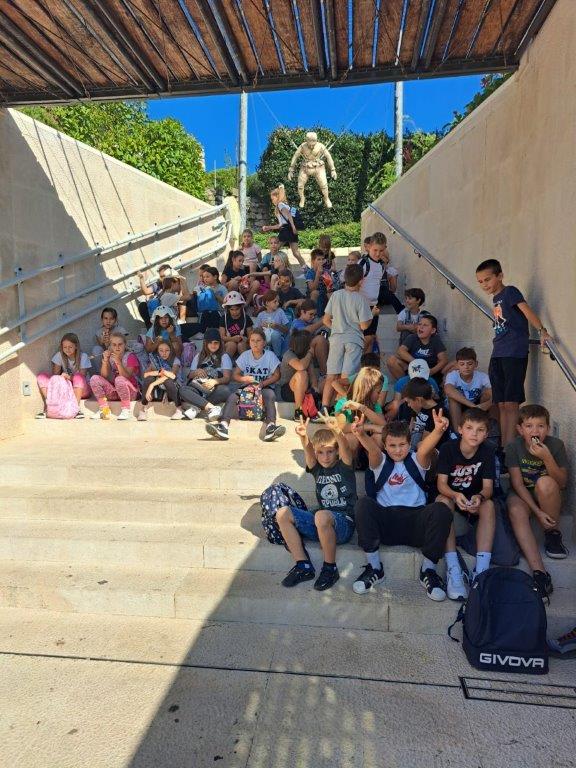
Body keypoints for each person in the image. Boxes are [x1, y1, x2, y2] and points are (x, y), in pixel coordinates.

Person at [351, 411, 453, 601]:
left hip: (416, 523)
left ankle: (428, 570)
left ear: (409, 443)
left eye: (402, 445)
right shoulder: (380, 461)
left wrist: (439, 430)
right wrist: (360, 434)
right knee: (363, 504)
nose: (397, 450)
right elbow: (373, 451)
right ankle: (375, 567)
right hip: (387, 523)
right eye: (392, 445)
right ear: (385, 445)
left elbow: (426, 448)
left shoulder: (417, 460)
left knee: (441, 510)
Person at [475, 258, 551, 449]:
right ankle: (503, 447)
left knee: (511, 403)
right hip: (498, 353)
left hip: (514, 353)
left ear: (500, 275)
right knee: (500, 404)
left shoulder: (510, 292)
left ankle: (510, 449)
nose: (484, 284)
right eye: (480, 281)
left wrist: (542, 331)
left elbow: (527, 311)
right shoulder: (495, 299)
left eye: (488, 279)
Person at [275, 416, 356, 591]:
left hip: (344, 524)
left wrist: (337, 431)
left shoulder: (344, 466)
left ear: (336, 451)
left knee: (321, 515)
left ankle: (330, 568)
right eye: (320, 452)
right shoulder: (317, 469)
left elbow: (346, 448)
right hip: (322, 524)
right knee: (282, 513)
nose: (325, 457)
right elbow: (310, 455)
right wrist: (304, 437)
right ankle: (303, 565)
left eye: (330, 451)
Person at [505, 404, 568, 600]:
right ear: (520, 429)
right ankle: (540, 572)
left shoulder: (556, 445)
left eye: (540, 426)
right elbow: (517, 484)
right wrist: (537, 512)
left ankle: (552, 533)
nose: (535, 431)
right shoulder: (513, 447)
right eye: (529, 426)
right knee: (515, 509)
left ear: (548, 428)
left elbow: (562, 483)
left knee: (545, 483)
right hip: (523, 495)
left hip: (547, 495)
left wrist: (547, 457)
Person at [436, 408, 496, 600]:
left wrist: (479, 497)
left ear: (486, 434)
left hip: (473, 501)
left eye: (480, 430)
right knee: (443, 501)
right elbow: (441, 484)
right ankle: (453, 568)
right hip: (453, 498)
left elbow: (488, 488)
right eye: (469, 428)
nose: (474, 434)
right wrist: (455, 495)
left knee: (489, 505)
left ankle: (481, 572)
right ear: (460, 429)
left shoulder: (488, 450)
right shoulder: (448, 448)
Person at [205, 328, 285, 442]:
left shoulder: (270, 356)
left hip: (264, 386)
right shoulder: (245, 355)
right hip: (248, 387)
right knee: (233, 396)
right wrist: (244, 379)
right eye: (252, 340)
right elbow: (235, 375)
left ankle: (271, 426)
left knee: (270, 395)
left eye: (258, 340)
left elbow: (277, 375)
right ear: (249, 342)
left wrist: (262, 383)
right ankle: (223, 425)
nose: (255, 343)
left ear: (264, 343)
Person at [321, 263, 374, 413]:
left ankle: (324, 408)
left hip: (336, 339)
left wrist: (338, 327)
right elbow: (364, 325)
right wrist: (372, 316)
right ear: (361, 281)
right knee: (346, 377)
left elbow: (326, 320)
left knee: (331, 376)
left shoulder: (336, 295)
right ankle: (341, 410)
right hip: (354, 340)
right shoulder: (361, 299)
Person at [162, 328, 232, 421]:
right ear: (205, 343)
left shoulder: (224, 356)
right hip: (198, 389)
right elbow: (190, 375)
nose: (213, 345)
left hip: (213, 390)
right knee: (183, 390)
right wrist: (196, 372)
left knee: (225, 390)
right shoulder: (199, 356)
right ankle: (212, 408)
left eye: (216, 343)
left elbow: (227, 378)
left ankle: (195, 407)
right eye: (210, 343)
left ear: (220, 343)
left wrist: (215, 381)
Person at [36, 332, 91, 418]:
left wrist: (68, 377)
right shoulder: (59, 355)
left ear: (76, 346)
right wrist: (61, 378)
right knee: (42, 376)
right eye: (65, 347)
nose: (67, 349)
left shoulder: (83, 356)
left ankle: (76, 409)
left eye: (70, 347)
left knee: (78, 377)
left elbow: (82, 377)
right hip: (66, 388)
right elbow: (55, 376)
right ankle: (50, 405)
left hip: (82, 389)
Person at [90, 332, 141, 420]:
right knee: (94, 378)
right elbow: (104, 375)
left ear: (125, 345)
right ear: (110, 346)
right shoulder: (111, 357)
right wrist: (105, 361)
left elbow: (127, 376)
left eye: (120, 344)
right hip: (116, 392)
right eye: (114, 345)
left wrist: (118, 362)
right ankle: (104, 410)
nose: (117, 347)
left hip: (131, 393)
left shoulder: (130, 356)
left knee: (119, 379)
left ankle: (126, 409)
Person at [387, 315, 448, 386]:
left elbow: (444, 360)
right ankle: (407, 386)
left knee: (450, 367)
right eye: (419, 324)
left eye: (425, 325)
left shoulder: (435, 340)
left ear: (433, 330)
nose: (421, 327)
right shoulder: (412, 337)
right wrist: (417, 362)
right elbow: (400, 351)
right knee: (392, 360)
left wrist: (431, 371)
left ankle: (437, 388)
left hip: (429, 371)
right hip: (414, 368)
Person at [444, 347, 492, 431]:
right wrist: (473, 406)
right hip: (460, 406)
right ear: (457, 365)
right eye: (462, 364)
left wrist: (487, 404)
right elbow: (448, 390)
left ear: (476, 364)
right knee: (453, 399)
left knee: (489, 393)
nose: (466, 367)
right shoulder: (453, 375)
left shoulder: (482, 376)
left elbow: (496, 392)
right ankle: (457, 432)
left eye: (470, 364)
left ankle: (488, 428)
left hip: (477, 405)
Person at [287, 131, 337, 208]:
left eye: (313, 143)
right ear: (306, 141)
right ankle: (302, 198)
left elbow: (328, 157)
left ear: (316, 141)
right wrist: (291, 170)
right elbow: (295, 156)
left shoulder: (321, 146)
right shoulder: (302, 146)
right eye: (309, 143)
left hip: (318, 167)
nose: (311, 146)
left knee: (324, 185)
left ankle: (326, 198)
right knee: (300, 185)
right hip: (305, 167)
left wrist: (333, 169)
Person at [262, 184, 305, 267]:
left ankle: (272, 268)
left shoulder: (280, 205)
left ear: (277, 197)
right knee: (296, 253)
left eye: (272, 199)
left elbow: (288, 214)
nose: (272, 201)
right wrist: (268, 227)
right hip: (288, 229)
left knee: (274, 248)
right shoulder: (281, 206)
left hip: (286, 230)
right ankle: (306, 270)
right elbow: (280, 224)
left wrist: (293, 227)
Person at [359, 232, 388, 352]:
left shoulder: (381, 265)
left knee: (371, 338)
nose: (378, 253)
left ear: (385, 248)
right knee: (363, 340)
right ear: (369, 246)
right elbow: (353, 284)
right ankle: (354, 362)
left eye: (381, 251)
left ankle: (366, 364)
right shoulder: (363, 263)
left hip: (374, 306)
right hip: (362, 306)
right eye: (375, 250)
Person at [400, 377, 448, 450]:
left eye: (409, 402)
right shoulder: (420, 407)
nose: (408, 405)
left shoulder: (437, 414)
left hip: (430, 449)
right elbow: (411, 426)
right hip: (414, 442)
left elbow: (424, 444)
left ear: (418, 400)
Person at [279, 330, 319, 419]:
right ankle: (298, 411)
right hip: (288, 390)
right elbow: (300, 366)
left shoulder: (306, 357)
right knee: (302, 373)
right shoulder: (289, 354)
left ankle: (319, 410)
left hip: (304, 388)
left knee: (326, 380)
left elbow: (313, 377)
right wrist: (310, 353)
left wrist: (314, 392)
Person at [138, 339, 181, 421]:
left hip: (173, 389)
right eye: (161, 350)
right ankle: (143, 408)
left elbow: (171, 376)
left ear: (171, 350)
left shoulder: (175, 360)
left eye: (167, 350)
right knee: (149, 379)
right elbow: (146, 374)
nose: (164, 353)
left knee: (167, 381)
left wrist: (152, 385)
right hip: (159, 390)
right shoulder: (156, 360)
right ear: (157, 351)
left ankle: (179, 409)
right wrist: (157, 372)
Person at [290, 299, 328, 376]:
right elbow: (305, 331)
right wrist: (322, 321)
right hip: (299, 354)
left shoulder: (311, 322)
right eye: (311, 314)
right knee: (319, 339)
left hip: (311, 352)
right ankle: (324, 373)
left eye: (314, 315)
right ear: (302, 312)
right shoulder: (296, 322)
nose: (313, 317)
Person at [253, 290, 291, 359]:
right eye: (275, 302)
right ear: (267, 303)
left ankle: (277, 356)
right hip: (265, 339)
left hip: (278, 339)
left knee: (275, 334)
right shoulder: (261, 315)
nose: (278, 303)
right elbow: (255, 331)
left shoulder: (280, 311)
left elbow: (287, 330)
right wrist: (261, 327)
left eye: (278, 301)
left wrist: (276, 325)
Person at [91, 307, 128, 371]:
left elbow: (125, 344)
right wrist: (102, 340)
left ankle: (120, 369)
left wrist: (111, 340)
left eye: (111, 319)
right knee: (96, 349)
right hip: (106, 354)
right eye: (106, 318)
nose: (108, 321)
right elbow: (101, 345)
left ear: (115, 320)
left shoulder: (120, 330)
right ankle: (100, 372)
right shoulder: (99, 332)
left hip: (119, 352)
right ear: (102, 319)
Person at [137, 264, 172, 328]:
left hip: (168, 310)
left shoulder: (174, 284)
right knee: (142, 305)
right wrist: (141, 278)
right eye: (160, 276)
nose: (161, 279)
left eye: (163, 276)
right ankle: (151, 327)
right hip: (156, 311)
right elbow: (146, 291)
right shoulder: (158, 284)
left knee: (154, 302)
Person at [193, 266, 228, 332]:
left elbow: (227, 303)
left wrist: (216, 295)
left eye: (207, 277)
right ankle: (203, 332)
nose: (205, 279)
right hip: (207, 313)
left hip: (220, 313)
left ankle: (217, 331)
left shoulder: (222, 288)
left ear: (215, 277)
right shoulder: (205, 289)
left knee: (214, 313)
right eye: (204, 277)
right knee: (205, 313)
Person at [219, 291, 253, 358]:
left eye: (237, 309)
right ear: (228, 309)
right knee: (232, 344)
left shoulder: (246, 318)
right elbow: (222, 337)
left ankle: (246, 362)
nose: (234, 312)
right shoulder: (224, 318)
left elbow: (250, 335)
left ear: (241, 307)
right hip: (228, 343)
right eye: (232, 309)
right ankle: (226, 361)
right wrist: (232, 339)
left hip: (243, 343)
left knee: (240, 345)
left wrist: (245, 339)